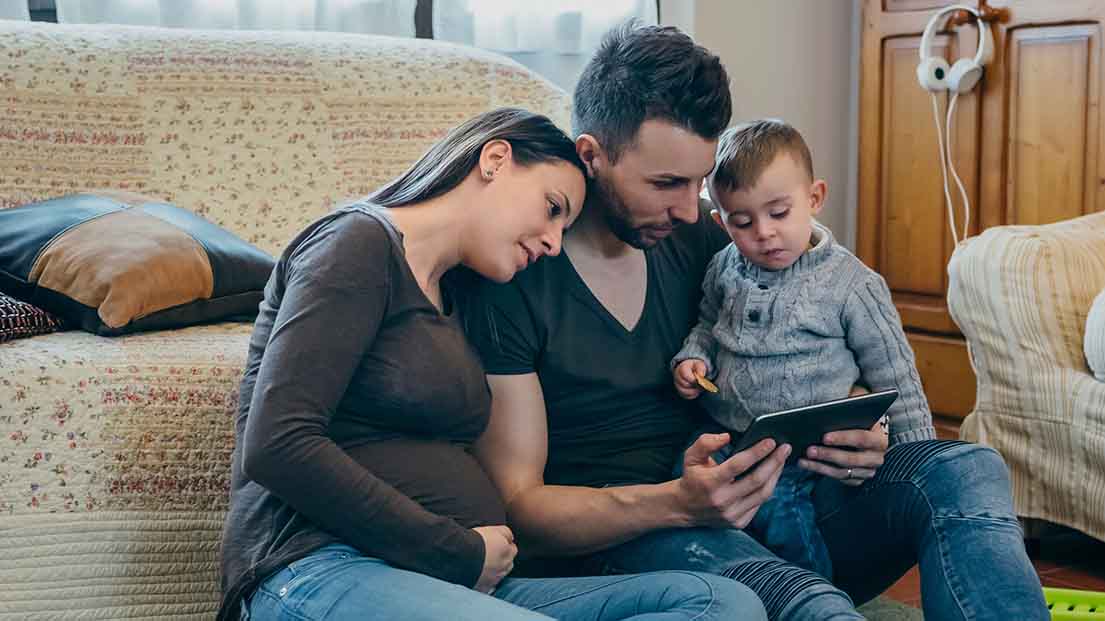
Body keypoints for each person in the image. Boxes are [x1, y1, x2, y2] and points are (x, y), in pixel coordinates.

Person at [465, 23, 1050, 621]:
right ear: (592, 156)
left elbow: (807, 318)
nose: (692, 209)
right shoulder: (516, 272)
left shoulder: (700, 236)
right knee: (801, 601)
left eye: (699, 183)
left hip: (780, 495)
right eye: (666, 183)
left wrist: (860, 429)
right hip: (640, 534)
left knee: (965, 469)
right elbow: (520, 507)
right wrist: (677, 504)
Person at [216, 107, 768, 621]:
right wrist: (455, 548)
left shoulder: (456, 293)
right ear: (495, 160)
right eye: (552, 208)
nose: (554, 242)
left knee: (722, 604)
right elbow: (277, 443)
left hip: (453, 581)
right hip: (321, 567)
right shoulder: (357, 241)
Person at [669, 118, 934, 578]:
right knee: (685, 485)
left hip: (803, 448)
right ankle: (737, 585)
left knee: (784, 518)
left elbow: (895, 374)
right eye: (743, 222)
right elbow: (708, 325)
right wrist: (693, 358)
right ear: (721, 221)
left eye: (779, 213)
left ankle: (813, 596)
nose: (764, 233)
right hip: (728, 435)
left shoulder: (851, 284)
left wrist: (914, 458)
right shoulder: (722, 269)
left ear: (814, 199)